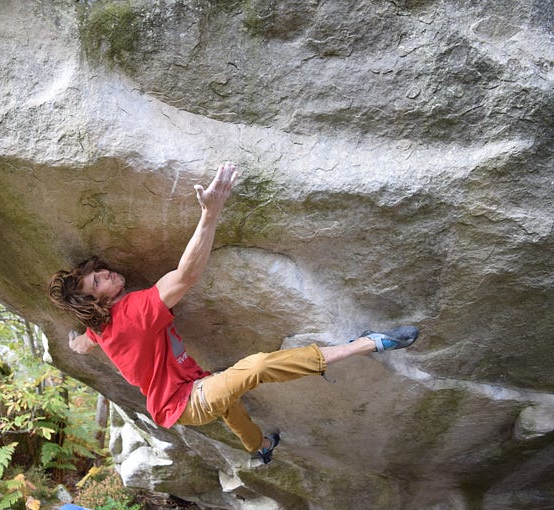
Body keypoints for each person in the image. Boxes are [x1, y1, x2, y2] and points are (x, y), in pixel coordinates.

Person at [48, 162, 419, 463]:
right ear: (99, 302)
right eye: (97, 283)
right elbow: (186, 275)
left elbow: (84, 343)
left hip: (188, 392)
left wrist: (73, 341)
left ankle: (259, 448)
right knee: (255, 368)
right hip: (187, 400)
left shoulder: (100, 326)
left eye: (98, 273)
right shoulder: (130, 313)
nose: (106, 275)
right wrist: (211, 213)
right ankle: (366, 345)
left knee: (230, 406)